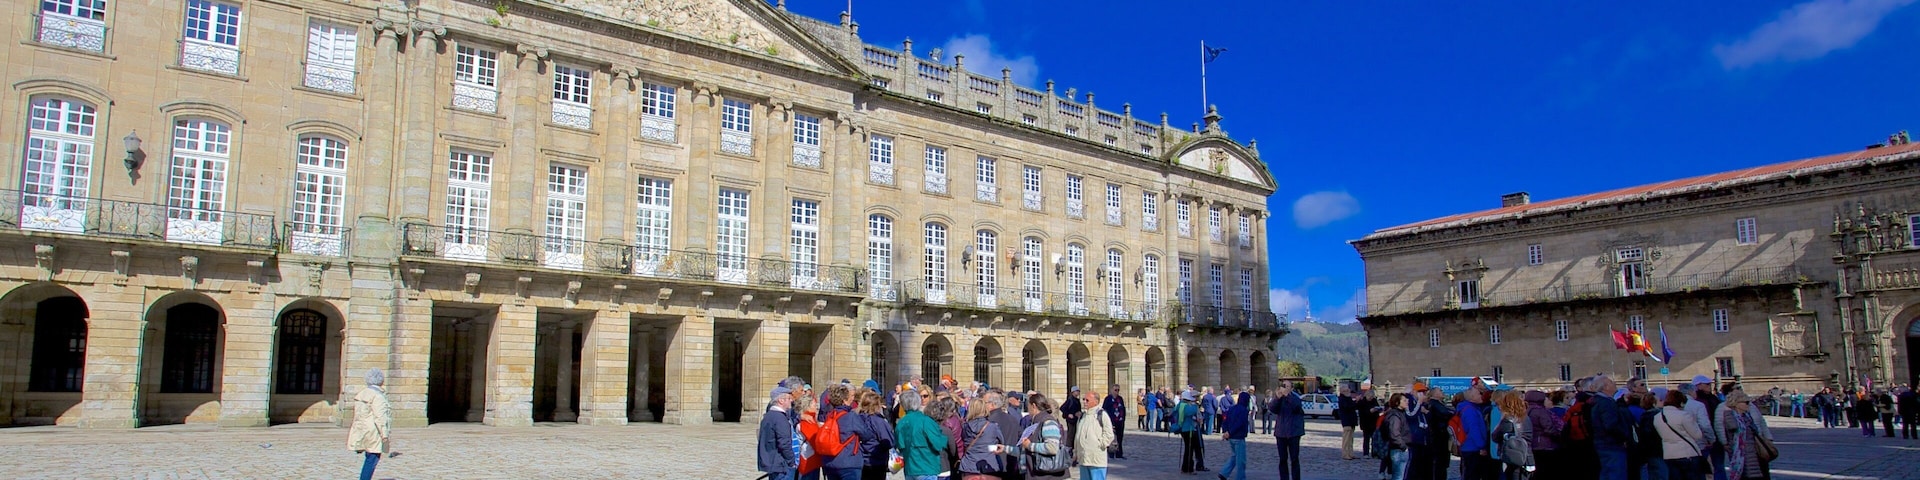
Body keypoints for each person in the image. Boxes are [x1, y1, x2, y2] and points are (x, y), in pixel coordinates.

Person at [347, 368, 392, 480]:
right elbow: (380, 417)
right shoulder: (378, 396)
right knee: (373, 458)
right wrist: (384, 435)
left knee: (369, 456)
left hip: (362, 429)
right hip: (374, 430)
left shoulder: (361, 394)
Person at [1716, 392, 1772, 480]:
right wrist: (1725, 443)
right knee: (1746, 474)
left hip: (1753, 450)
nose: (1748, 405)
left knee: (1757, 473)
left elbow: (1760, 424)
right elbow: (1729, 427)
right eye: (1746, 402)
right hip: (1741, 452)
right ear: (1736, 403)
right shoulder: (1730, 415)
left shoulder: (1746, 415)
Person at [898, 388, 950, 480]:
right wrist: (944, 438)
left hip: (910, 469)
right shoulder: (926, 421)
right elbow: (938, 444)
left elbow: (900, 446)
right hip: (927, 467)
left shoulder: (901, 423)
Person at [1654, 390, 1707, 480]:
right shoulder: (1683, 415)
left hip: (1669, 454)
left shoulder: (1657, 417)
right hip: (1687, 453)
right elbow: (1697, 435)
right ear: (1681, 402)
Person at [1590, 376, 1634, 480]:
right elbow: (1610, 425)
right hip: (1612, 445)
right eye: (1611, 382)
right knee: (1616, 473)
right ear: (1606, 387)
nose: (1615, 384)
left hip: (1603, 443)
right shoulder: (1606, 403)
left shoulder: (1596, 401)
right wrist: (1623, 436)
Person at [1016, 393, 1068, 480]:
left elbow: (1052, 447)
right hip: (1036, 474)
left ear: (1033, 406)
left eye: (1028, 406)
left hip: (1047, 475)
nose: (1027, 409)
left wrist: (1030, 445)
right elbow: (1024, 449)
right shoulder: (1035, 423)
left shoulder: (1048, 422)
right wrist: (1005, 449)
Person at [960, 396, 1010, 480]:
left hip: (969, 465)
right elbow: (1001, 441)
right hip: (989, 464)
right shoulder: (992, 426)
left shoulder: (965, 427)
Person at [1073, 391, 1116, 480]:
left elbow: (1109, 434)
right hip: (1083, 459)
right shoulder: (1082, 416)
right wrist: (1076, 452)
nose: (1084, 402)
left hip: (1096, 459)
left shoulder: (1102, 414)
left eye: (1087, 400)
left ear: (1095, 401)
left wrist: (1100, 444)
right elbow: (1078, 436)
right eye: (1083, 399)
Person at [762, 386, 802, 480]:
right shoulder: (780, 418)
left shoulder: (770, 415)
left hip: (775, 463)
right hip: (782, 465)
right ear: (781, 400)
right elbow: (784, 443)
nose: (791, 400)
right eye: (788, 398)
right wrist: (792, 461)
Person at [1524, 390, 1564, 479]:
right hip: (1545, 445)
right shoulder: (1541, 411)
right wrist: (1559, 435)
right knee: (1547, 470)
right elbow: (1548, 428)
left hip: (1533, 444)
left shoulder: (1526, 410)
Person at [1457, 385, 1494, 480]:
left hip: (1470, 446)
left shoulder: (1470, 408)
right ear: (1472, 397)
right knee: (1473, 474)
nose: (1481, 396)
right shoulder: (1470, 410)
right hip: (1473, 448)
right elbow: (1474, 429)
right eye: (1479, 394)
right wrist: (1481, 446)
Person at [1417, 386, 1454, 480]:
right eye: (1440, 391)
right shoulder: (1434, 404)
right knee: (1439, 463)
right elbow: (1446, 413)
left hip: (1439, 436)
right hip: (1438, 437)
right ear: (1435, 394)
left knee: (1441, 463)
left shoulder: (1438, 404)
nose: (1442, 392)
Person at [1272, 383, 1306, 480]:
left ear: (1291, 388)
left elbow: (1297, 407)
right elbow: (1272, 408)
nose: (1284, 388)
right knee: (1282, 459)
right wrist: (1277, 399)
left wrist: (1287, 396)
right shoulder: (1279, 398)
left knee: (1294, 459)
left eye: (1287, 386)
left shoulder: (1296, 397)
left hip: (1294, 432)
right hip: (1281, 433)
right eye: (1283, 386)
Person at [1217, 391, 1252, 480]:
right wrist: (1230, 432)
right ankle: (1240, 478)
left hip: (1231, 437)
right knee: (1241, 460)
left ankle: (1224, 473)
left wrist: (1225, 431)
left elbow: (1225, 420)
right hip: (1238, 436)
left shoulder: (1232, 408)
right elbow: (1239, 423)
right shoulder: (1244, 410)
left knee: (1234, 456)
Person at [1383, 393, 1415, 480]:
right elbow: (1394, 433)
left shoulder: (1401, 413)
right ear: (1397, 402)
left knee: (1401, 475)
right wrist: (1403, 446)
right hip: (1398, 449)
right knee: (1398, 476)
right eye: (1404, 400)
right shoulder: (1394, 415)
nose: (1407, 402)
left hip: (1401, 447)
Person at [1174, 389, 1206, 474]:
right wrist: (1195, 405)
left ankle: (1185, 467)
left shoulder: (1180, 405)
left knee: (1188, 449)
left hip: (1183, 429)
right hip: (1190, 429)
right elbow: (1192, 412)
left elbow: (1174, 412)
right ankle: (1188, 468)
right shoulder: (1188, 407)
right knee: (1190, 450)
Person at [1102, 384, 1127, 459]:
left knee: (1120, 438)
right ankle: (1111, 453)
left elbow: (1123, 409)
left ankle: (1119, 454)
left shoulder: (1120, 399)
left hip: (1120, 421)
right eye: (1115, 390)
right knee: (1111, 438)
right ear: (1111, 390)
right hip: (1111, 421)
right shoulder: (1108, 399)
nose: (1117, 392)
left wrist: (1123, 418)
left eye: (1118, 390)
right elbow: (1104, 410)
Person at [1359, 387, 1382, 460]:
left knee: (1374, 439)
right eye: (1370, 396)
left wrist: (1378, 409)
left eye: (1372, 397)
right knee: (1366, 439)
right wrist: (1370, 411)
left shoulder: (1374, 401)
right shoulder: (1362, 402)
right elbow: (1362, 413)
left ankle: (1374, 453)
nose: (1371, 398)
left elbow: (1378, 407)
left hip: (1374, 422)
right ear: (1367, 395)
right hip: (1365, 423)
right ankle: (1366, 453)